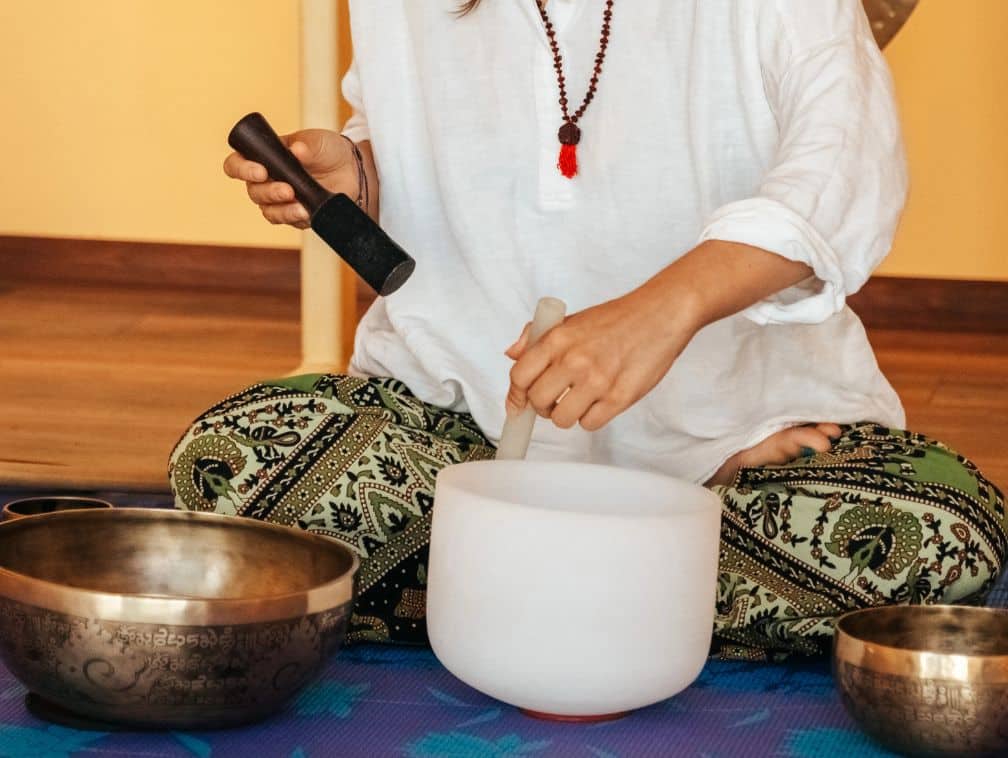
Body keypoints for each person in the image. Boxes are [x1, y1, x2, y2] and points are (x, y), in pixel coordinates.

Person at [170, 0, 1005, 659]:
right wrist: (359, 172)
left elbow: (848, 160)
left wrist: (666, 309)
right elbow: (423, 133)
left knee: (939, 530)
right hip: (465, 432)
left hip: (737, 445)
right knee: (235, 461)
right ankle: (643, 589)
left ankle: (496, 586)